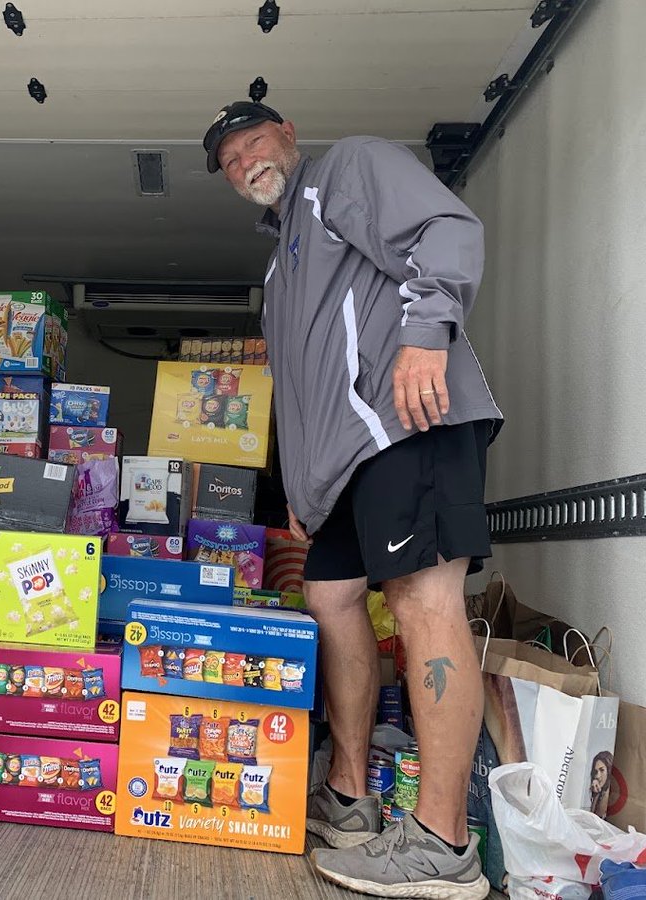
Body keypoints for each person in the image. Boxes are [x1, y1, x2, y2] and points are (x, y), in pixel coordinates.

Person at [204, 100, 502, 900]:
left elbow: (445, 229)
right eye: (230, 161)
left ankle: (442, 844)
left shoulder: (345, 172)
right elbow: (301, 385)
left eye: (253, 143)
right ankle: (349, 795)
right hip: (342, 467)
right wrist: (301, 484)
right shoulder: (279, 264)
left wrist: (426, 333)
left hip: (409, 422)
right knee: (330, 596)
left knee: (422, 599)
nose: (245, 163)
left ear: (289, 134)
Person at [590, 751, 614, 818]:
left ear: (609, 771)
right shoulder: (600, 792)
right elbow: (593, 819)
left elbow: (599, 816)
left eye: (602, 770)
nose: (597, 776)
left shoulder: (611, 792)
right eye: (596, 771)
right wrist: (595, 795)